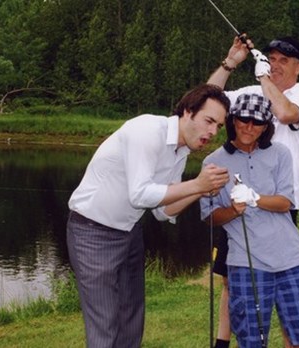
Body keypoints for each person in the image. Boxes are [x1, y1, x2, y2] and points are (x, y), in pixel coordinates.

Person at [66, 84, 231, 347]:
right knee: (105, 325)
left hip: (128, 232)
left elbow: (163, 211)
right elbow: (139, 195)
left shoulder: (180, 150)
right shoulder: (146, 131)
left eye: (219, 126)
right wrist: (197, 185)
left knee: (131, 320)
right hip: (92, 232)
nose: (212, 132)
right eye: (209, 121)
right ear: (188, 112)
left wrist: (201, 191)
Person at [208, 36, 299, 348]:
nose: (275, 65)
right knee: (233, 279)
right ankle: (222, 343)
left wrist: (263, 77)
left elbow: (284, 113)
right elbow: (209, 99)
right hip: (237, 199)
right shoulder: (251, 91)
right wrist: (231, 62)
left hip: (280, 204)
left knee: (283, 285)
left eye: (284, 60)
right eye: (272, 58)